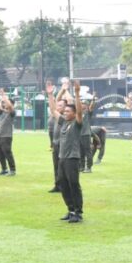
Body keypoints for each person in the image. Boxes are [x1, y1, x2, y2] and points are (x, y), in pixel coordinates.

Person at [53, 79, 85, 223]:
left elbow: (79, 111)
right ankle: (70, 209)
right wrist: (51, 95)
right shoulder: (64, 122)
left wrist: (77, 93)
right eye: (64, 111)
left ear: (73, 113)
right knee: (63, 183)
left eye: (67, 111)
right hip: (62, 158)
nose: (65, 113)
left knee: (73, 184)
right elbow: (53, 109)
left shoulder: (76, 124)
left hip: (72, 158)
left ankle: (78, 212)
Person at [0, 90, 16, 176]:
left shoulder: (12, 112)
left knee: (7, 152)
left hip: (7, 136)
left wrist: (3, 95)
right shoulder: (2, 112)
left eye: (6, 103)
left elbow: (10, 106)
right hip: (0, 135)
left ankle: (12, 170)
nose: (5, 104)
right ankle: (4, 169)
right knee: (0, 153)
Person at [79, 94, 96, 173]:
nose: (82, 105)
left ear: (86, 105)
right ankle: (81, 167)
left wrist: (93, 100)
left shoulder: (88, 113)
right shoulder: (79, 113)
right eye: (81, 103)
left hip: (85, 134)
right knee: (80, 152)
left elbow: (92, 107)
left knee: (87, 151)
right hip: (79, 134)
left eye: (84, 104)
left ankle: (89, 167)